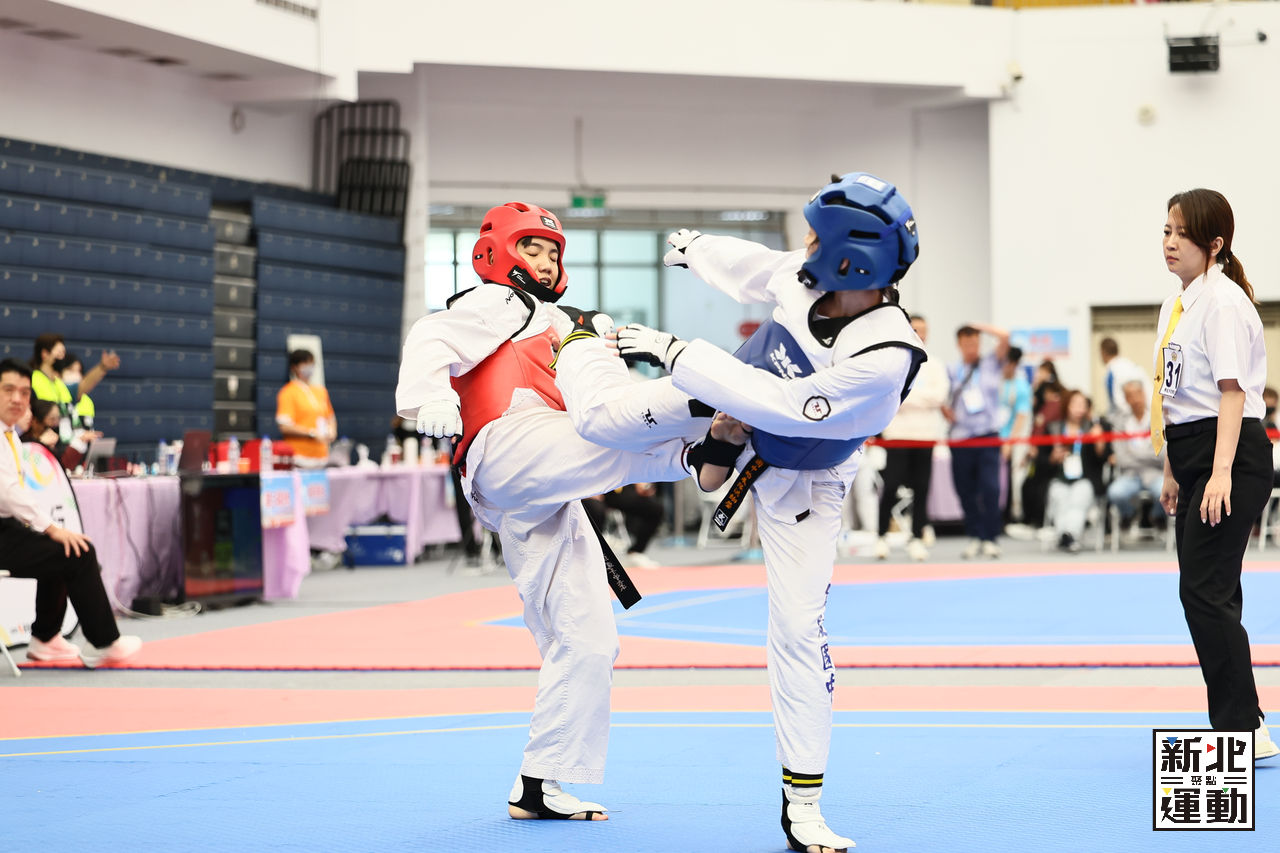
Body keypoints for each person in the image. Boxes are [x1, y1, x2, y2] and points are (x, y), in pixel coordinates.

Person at [613, 171, 925, 853]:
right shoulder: (808, 279)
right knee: (605, 423)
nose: (804, 246)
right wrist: (697, 249)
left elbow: (784, 408)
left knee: (796, 628)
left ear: (851, 257)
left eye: (815, 237)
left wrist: (675, 351)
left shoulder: (884, 356)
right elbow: (754, 268)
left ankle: (802, 803)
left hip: (802, 482)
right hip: (717, 401)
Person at [395, 202, 719, 824]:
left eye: (553, 253)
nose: (545, 263)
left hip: (540, 484)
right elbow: (432, 335)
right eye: (533, 249)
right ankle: (703, 431)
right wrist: (430, 397)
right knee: (617, 429)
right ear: (498, 250)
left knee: (588, 637)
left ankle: (540, 782)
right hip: (507, 444)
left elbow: (609, 407)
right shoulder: (502, 301)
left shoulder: (561, 324)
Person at [1154, 188, 1276, 759]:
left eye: (1183, 233)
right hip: (1194, 453)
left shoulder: (1223, 303)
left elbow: (1231, 393)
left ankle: (1243, 729)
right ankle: (1246, 719)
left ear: (1215, 243)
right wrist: (1172, 469)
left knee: (1204, 592)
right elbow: (1175, 396)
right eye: (1167, 230)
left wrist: (1220, 472)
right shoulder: (1176, 305)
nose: (1170, 242)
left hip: (1231, 454)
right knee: (1209, 592)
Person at [0, 359, 142, 668]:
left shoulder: (10, 436)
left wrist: (50, 531)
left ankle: (46, 638)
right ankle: (107, 642)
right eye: (8, 390)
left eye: (24, 393)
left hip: (8, 528)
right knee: (78, 552)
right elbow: (7, 492)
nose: (17, 399)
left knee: (66, 547)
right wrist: (51, 527)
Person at [874, 313, 948, 561]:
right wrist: (915, 399)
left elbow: (939, 396)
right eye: (915, 329)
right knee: (891, 486)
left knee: (922, 488)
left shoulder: (935, 364)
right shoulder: (894, 362)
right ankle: (881, 536)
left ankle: (916, 537)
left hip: (925, 436)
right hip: (897, 436)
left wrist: (908, 397)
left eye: (923, 330)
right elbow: (890, 396)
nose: (920, 334)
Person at [943, 323, 1009, 559]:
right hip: (960, 437)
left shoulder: (991, 363)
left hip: (988, 435)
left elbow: (1005, 336)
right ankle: (974, 535)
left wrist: (978, 326)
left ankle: (991, 537)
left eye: (975, 343)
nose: (972, 348)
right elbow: (942, 397)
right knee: (965, 489)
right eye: (967, 343)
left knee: (991, 488)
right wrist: (944, 409)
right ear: (959, 344)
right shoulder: (952, 370)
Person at [1038, 390, 1108, 553]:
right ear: (1066, 405)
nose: (1079, 409)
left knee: (1078, 498)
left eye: (1083, 405)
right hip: (1059, 479)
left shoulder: (1093, 428)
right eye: (1075, 404)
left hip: (1085, 479)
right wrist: (1052, 458)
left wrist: (1099, 443)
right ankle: (1066, 536)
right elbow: (1041, 460)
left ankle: (1069, 535)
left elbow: (1103, 459)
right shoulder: (1053, 428)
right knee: (1060, 498)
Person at [1106, 378, 1166, 537]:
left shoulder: (1158, 418)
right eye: (1130, 395)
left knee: (1165, 491)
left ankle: (1157, 516)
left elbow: (1162, 454)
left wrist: (1133, 453)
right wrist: (1148, 454)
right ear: (1126, 399)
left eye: (1138, 394)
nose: (1135, 399)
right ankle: (1129, 514)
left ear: (1144, 394)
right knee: (1116, 492)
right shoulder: (1120, 423)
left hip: (1154, 473)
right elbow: (1121, 458)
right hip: (1130, 474)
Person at [276, 349, 337, 468]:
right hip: (300, 457)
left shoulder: (321, 391)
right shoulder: (288, 392)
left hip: (322, 456)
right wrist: (311, 433)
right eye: (305, 363)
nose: (309, 367)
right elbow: (285, 426)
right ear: (294, 367)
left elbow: (330, 417)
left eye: (311, 363)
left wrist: (332, 431)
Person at [998, 345, 1033, 530]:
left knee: (1012, 479)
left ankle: (1010, 516)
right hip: (992, 436)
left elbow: (1021, 416)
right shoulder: (996, 381)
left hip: (1011, 438)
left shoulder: (1021, 386)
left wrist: (1010, 443)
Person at [1098, 336, 1147, 419]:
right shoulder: (1134, 366)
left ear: (1103, 352)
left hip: (1123, 422)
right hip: (1143, 418)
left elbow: (1117, 402)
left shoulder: (1111, 372)